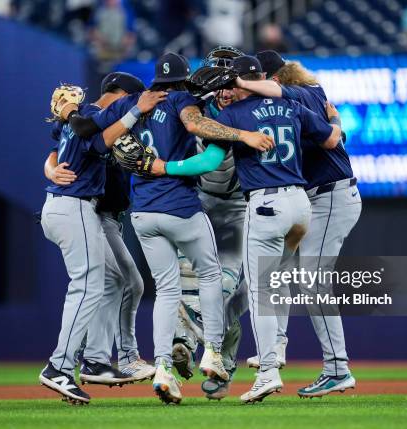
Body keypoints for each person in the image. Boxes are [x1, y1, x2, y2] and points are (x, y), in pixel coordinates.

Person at [68, 52, 274, 404]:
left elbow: (91, 134)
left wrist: (68, 117)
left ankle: (163, 365)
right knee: (213, 279)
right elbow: (200, 136)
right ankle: (210, 352)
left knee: (170, 290)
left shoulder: (132, 104)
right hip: (185, 206)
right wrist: (244, 135)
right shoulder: (188, 102)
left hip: (145, 213)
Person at [148, 55, 343, 403]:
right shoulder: (290, 104)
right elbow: (331, 140)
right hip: (296, 202)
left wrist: (167, 166)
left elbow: (207, 157)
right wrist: (334, 118)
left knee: (242, 290)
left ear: (239, 82)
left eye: (228, 79)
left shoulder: (230, 114)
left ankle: (252, 364)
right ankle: (251, 348)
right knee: (251, 285)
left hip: (254, 205)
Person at [235, 50, 361, 397]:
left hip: (331, 196)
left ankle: (338, 368)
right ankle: (274, 347)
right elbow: (335, 136)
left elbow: (333, 137)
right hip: (310, 200)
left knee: (313, 283)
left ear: (273, 78)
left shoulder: (305, 92)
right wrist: (336, 125)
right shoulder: (288, 104)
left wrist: (243, 82)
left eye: (262, 79)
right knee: (280, 274)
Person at [37, 75, 164, 405]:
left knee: (115, 280)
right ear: (121, 95)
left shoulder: (86, 118)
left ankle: (93, 359)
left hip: (72, 207)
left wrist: (50, 166)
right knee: (89, 284)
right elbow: (90, 133)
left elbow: (93, 141)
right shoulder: (91, 114)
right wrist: (136, 110)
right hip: (75, 206)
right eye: (130, 98)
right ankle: (59, 366)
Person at [171, 45, 248, 401]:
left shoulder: (258, 107)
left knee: (227, 289)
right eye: (218, 81)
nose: (225, 89)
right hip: (198, 203)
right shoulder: (189, 107)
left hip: (240, 209)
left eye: (230, 80)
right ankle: (184, 343)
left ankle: (224, 360)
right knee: (188, 281)